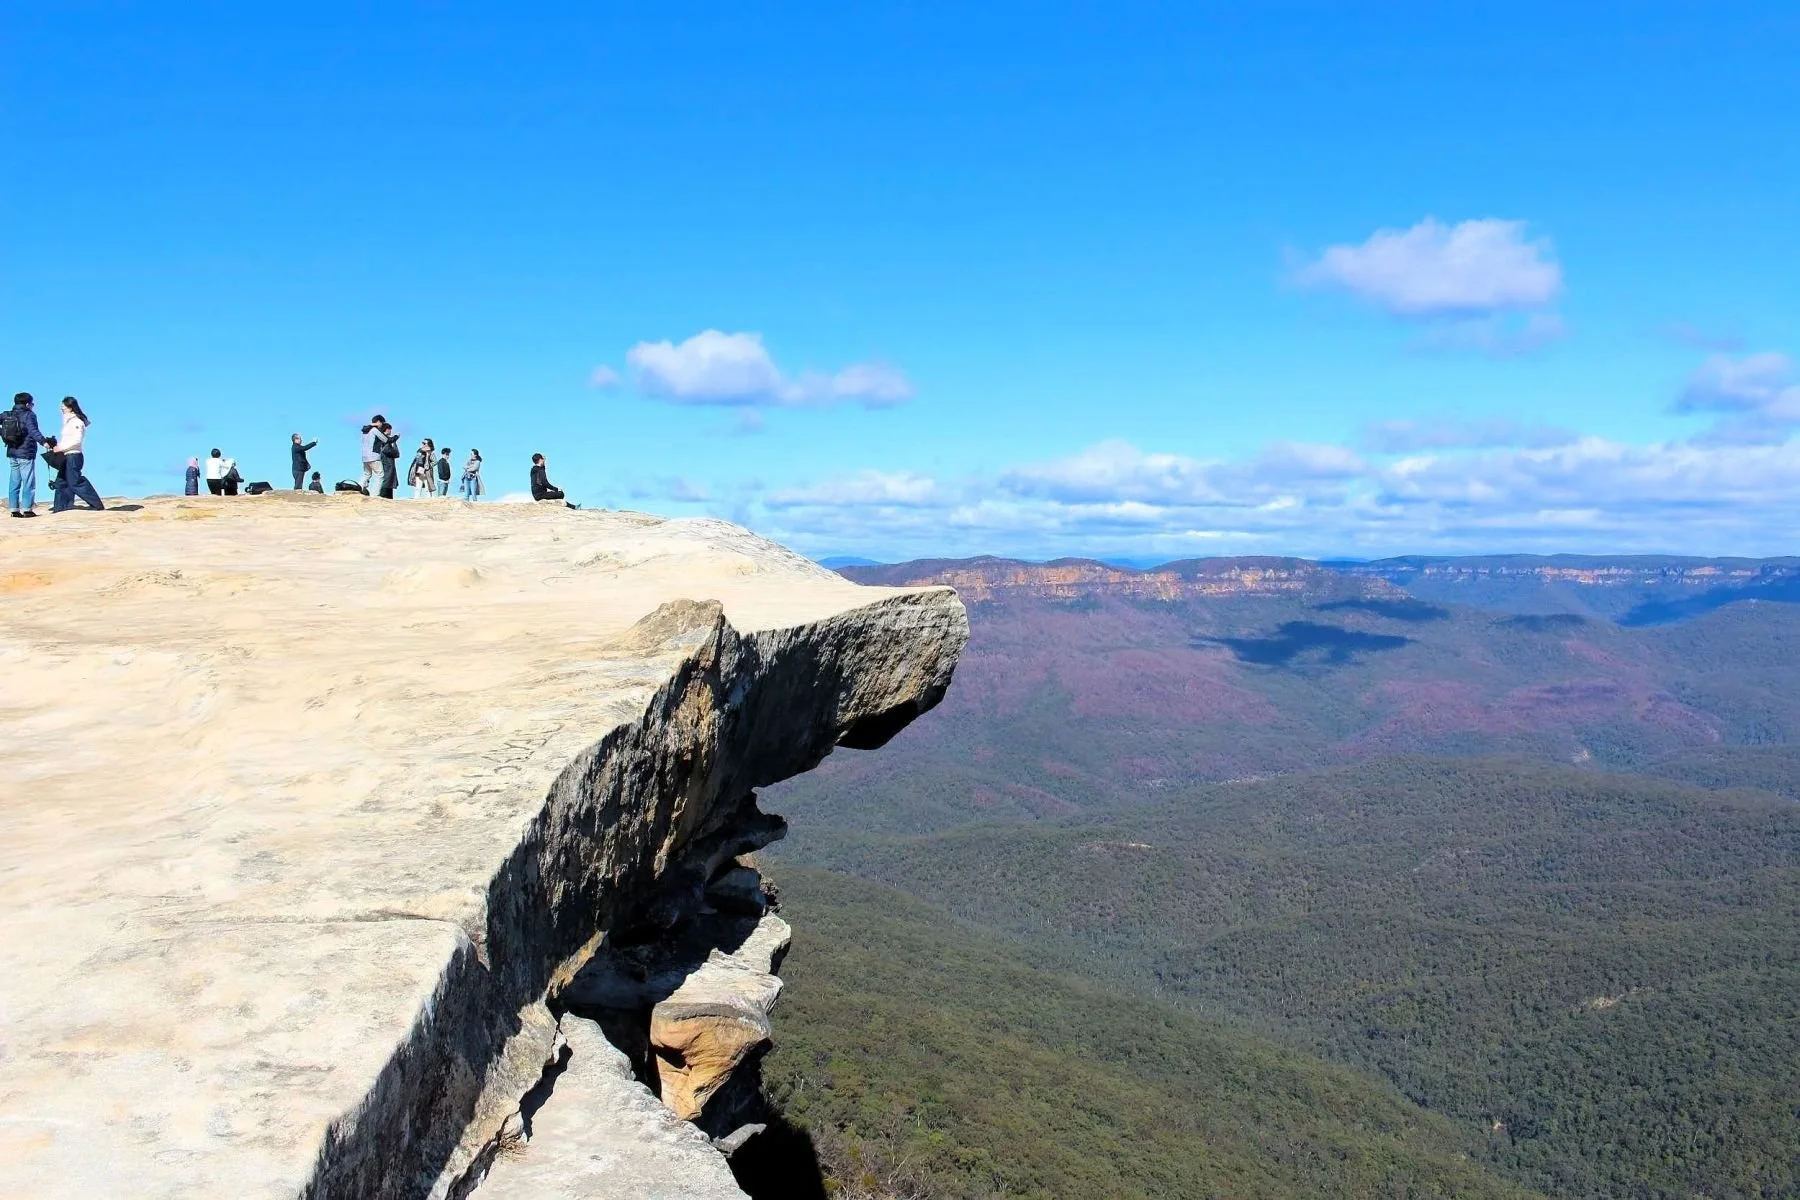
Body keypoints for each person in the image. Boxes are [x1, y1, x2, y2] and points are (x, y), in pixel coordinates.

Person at [50, 396, 104, 513]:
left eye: (63, 406)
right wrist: (56, 446)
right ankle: (61, 507)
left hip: (74, 455)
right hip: (66, 455)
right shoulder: (68, 421)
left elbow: (76, 440)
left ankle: (96, 504)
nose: (61, 408)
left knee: (75, 482)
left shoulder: (77, 422)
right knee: (62, 481)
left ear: (70, 407)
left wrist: (61, 448)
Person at [4, 392, 49, 518]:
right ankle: (27, 509)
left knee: (14, 482)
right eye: (32, 403)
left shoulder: (8, 414)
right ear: (27, 404)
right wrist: (43, 442)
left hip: (12, 452)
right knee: (28, 481)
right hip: (25, 453)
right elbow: (33, 431)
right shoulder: (29, 415)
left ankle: (14, 510)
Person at [360, 414, 385, 495]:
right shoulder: (374, 430)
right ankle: (375, 494)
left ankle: (358, 489)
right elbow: (385, 439)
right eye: (382, 423)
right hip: (374, 456)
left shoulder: (365, 431)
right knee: (380, 474)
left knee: (366, 474)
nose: (382, 425)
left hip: (365, 456)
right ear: (378, 422)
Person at [376, 422, 400, 499]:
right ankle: (383, 496)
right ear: (386, 429)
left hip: (386, 463)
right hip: (387, 463)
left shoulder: (381, 439)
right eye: (390, 429)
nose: (390, 431)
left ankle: (386, 497)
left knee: (388, 482)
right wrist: (394, 444)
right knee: (387, 481)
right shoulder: (385, 440)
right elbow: (391, 452)